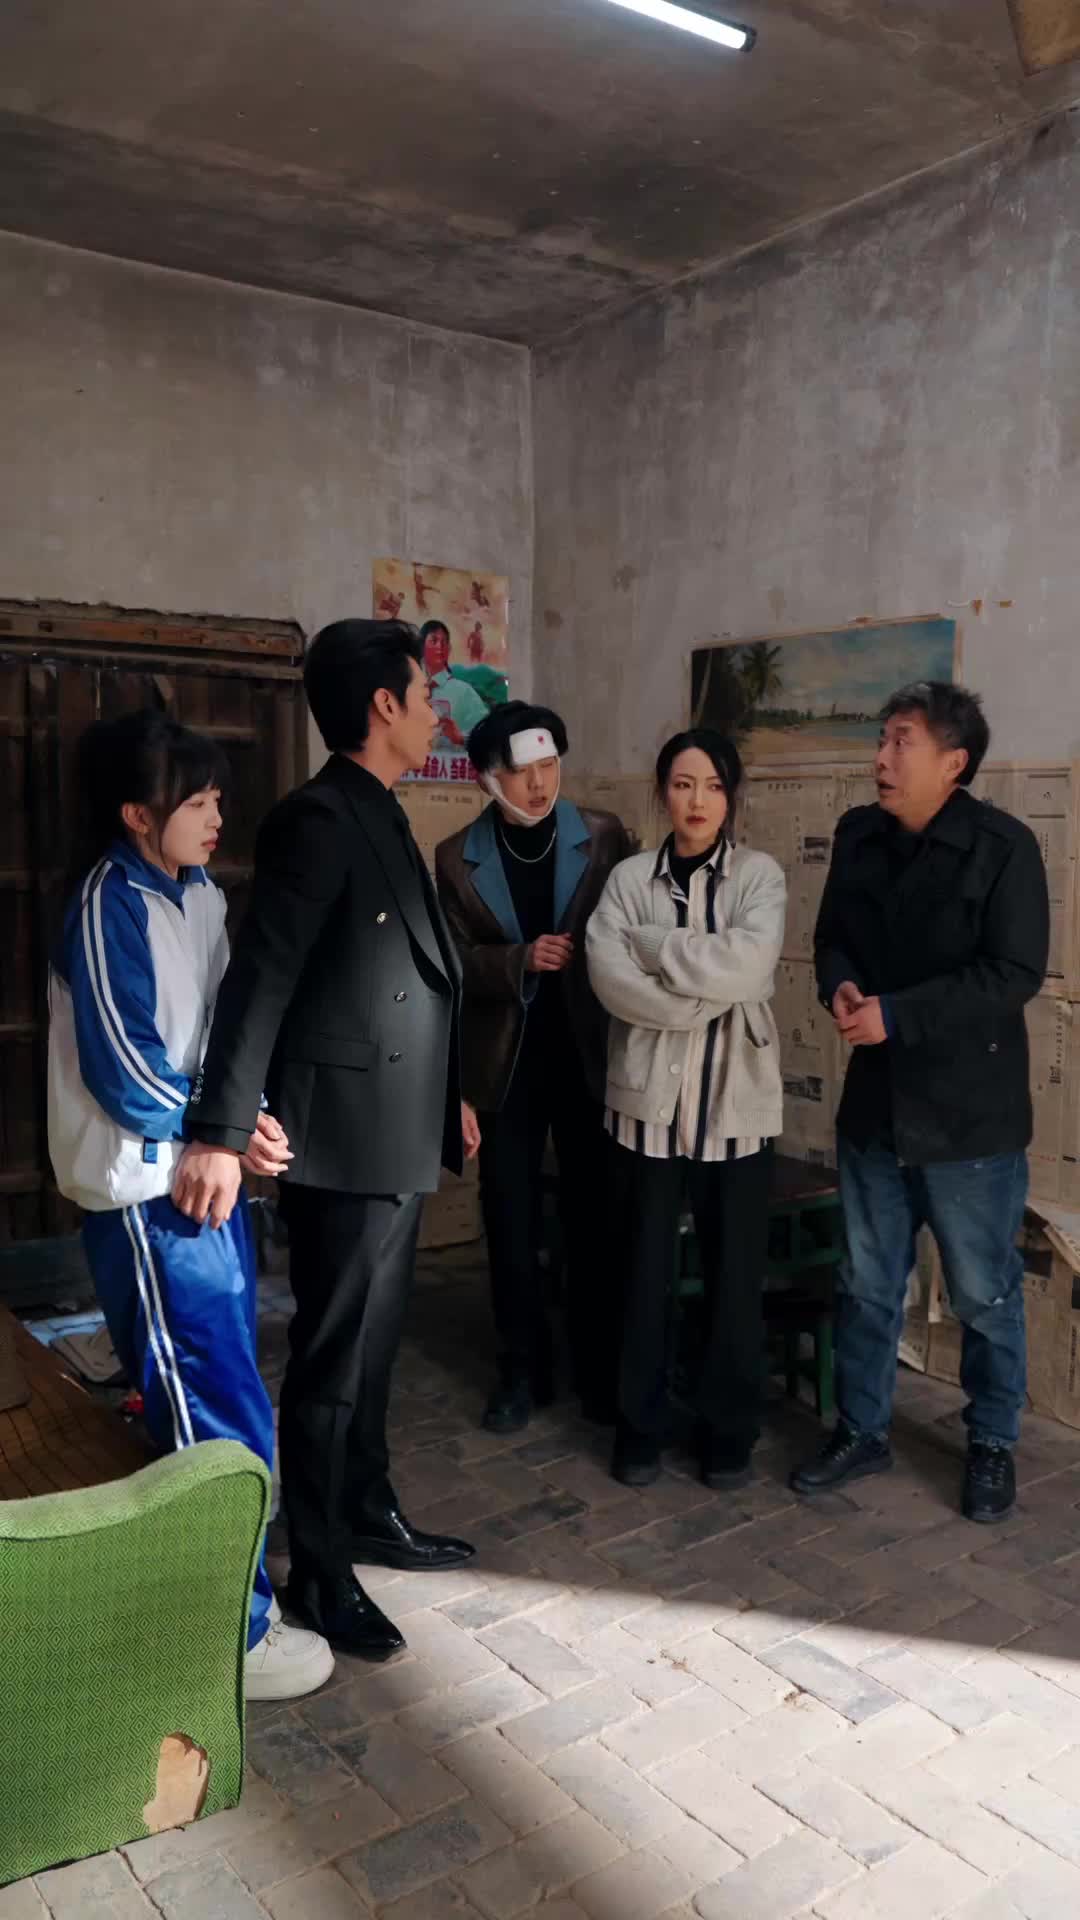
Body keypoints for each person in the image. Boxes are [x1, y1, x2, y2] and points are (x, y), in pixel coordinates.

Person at [174, 620, 481, 1663]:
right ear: (383, 706)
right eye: (424, 694)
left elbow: (409, 976)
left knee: (374, 1350)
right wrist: (222, 1130)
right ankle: (319, 1567)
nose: (434, 712)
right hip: (343, 1138)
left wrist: (446, 1099)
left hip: (394, 1125)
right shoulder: (317, 817)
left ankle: (367, 1506)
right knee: (332, 1361)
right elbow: (263, 975)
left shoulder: (379, 807)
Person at [47, 708, 334, 1701]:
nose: (218, 817)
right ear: (138, 814)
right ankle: (228, 1634)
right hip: (146, 1194)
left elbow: (226, 1033)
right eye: (197, 801)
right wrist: (223, 1131)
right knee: (208, 1404)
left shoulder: (199, 895)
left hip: (204, 1176)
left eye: (218, 798)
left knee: (223, 1387)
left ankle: (225, 1601)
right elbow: (127, 1073)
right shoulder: (107, 905)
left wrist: (244, 1119)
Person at [791, 681, 1049, 1523]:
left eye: (901, 741)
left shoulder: (1004, 848)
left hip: (971, 1120)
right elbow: (832, 938)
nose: (881, 758)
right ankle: (861, 1428)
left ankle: (993, 1440)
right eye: (882, 739)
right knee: (867, 1283)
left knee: (982, 1293)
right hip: (876, 1110)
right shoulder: (859, 834)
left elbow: (1012, 974)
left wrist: (896, 1015)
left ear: (953, 762)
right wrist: (840, 985)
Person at [586, 730, 786, 1489]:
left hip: (734, 1110)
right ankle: (638, 1428)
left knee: (733, 1281)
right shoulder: (629, 878)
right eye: (681, 784)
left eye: (712, 786)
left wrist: (656, 950)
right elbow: (608, 977)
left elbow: (751, 963)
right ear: (662, 791)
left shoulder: (759, 876)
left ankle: (726, 1433)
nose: (696, 801)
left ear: (731, 796)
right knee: (641, 1276)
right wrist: (700, 997)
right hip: (645, 1110)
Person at [435, 702, 634, 1432]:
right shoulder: (456, 857)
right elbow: (450, 962)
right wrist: (519, 959)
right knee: (511, 1220)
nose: (540, 785)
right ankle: (522, 1370)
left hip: (588, 1055)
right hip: (506, 1065)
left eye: (550, 767)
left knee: (596, 1217)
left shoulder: (604, 836)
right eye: (522, 773)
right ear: (488, 779)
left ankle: (599, 1370)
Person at [420, 620, 488, 749]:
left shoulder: (464, 691)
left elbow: (487, 734)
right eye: (434, 641)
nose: (440, 646)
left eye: (444, 642)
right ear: (421, 646)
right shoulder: (410, 690)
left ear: (449, 649)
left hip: (449, 760)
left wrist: (461, 738)